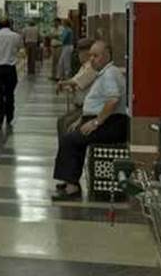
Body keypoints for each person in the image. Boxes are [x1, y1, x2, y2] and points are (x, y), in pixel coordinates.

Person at [52, 39, 130, 200]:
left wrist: (96, 122)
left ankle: (72, 187)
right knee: (72, 135)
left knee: (70, 140)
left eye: (96, 56)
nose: (92, 59)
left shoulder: (109, 74)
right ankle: (69, 180)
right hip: (104, 120)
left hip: (111, 124)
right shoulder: (106, 73)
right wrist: (82, 119)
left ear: (107, 55)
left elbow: (112, 100)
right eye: (91, 56)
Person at [55, 38, 96, 136]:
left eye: (80, 52)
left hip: (86, 108)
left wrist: (62, 83)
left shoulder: (91, 67)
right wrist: (67, 86)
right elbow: (75, 81)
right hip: (80, 105)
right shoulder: (84, 66)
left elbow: (77, 81)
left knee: (66, 123)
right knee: (62, 122)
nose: (78, 56)